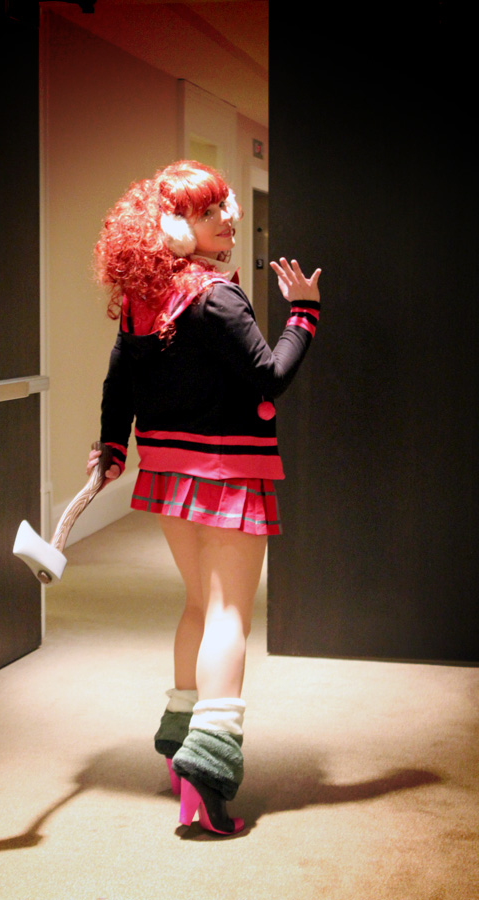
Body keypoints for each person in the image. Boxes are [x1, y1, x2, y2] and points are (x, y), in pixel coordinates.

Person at [87, 160, 321, 835]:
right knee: (228, 615)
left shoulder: (145, 298)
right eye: (208, 211)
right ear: (172, 226)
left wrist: (113, 446)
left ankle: (179, 740)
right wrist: (304, 314)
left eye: (225, 208)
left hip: (167, 471)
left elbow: (118, 383)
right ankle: (211, 768)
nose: (228, 220)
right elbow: (269, 377)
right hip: (229, 472)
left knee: (198, 603)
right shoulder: (217, 297)